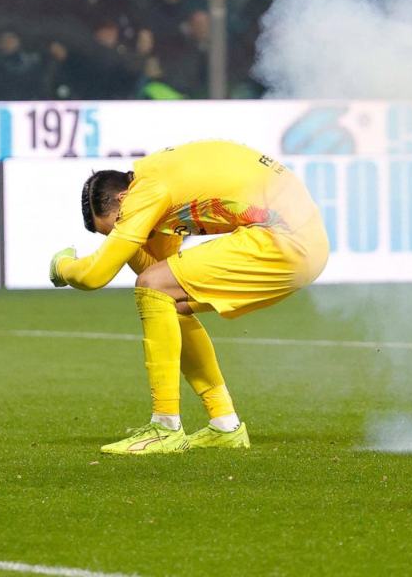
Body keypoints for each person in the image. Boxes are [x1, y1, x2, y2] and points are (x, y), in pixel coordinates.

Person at [48, 140, 330, 454]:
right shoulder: (161, 186)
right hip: (302, 241)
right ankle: (225, 425)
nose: (123, 231)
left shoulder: (147, 190)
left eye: (118, 225)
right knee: (168, 300)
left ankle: (165, 428)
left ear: (123, 198)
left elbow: (93, 276)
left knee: (154, 287)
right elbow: (158, 274)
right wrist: (127, 246)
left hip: (286, 238)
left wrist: (63, 266)